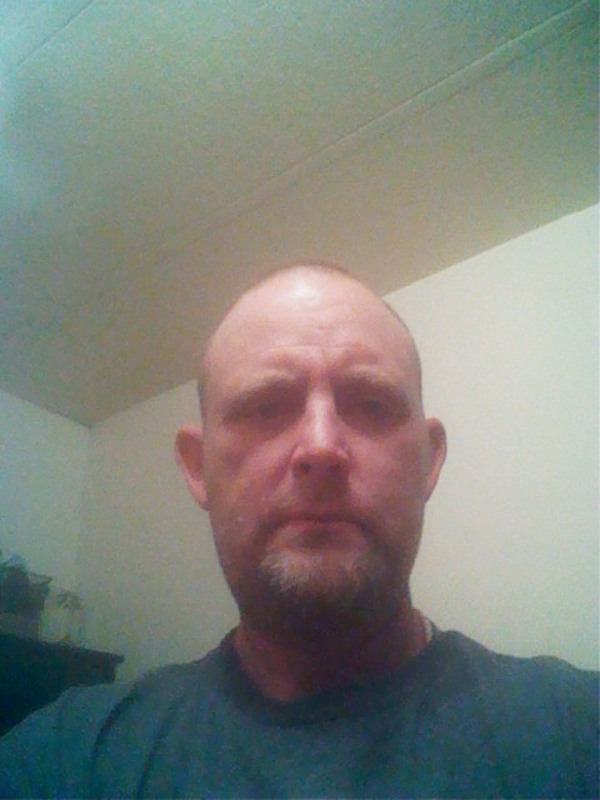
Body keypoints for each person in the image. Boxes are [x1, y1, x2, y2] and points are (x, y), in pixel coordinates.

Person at [0, 263, 597, 798]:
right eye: (266, 406)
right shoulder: (63, 758)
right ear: (198, 468)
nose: (321, 447)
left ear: (429, 460)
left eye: (371, 404)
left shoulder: (577, 734)